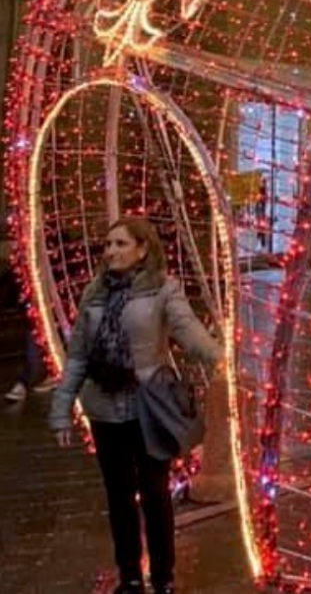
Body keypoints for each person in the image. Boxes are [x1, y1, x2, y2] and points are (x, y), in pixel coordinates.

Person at [47, 219, 222, 594]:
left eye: (121, 243)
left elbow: (187, 328)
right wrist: (61, 409)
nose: (111, 251)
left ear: (143, 248)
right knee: (119, 495)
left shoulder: (162, 289)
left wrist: (217, 358)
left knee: (156, 493)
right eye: (107, 244)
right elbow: (77, 356)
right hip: (104, 410)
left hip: (147, 407)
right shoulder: (94, 293)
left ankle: (163, 578)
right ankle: (129, 576)